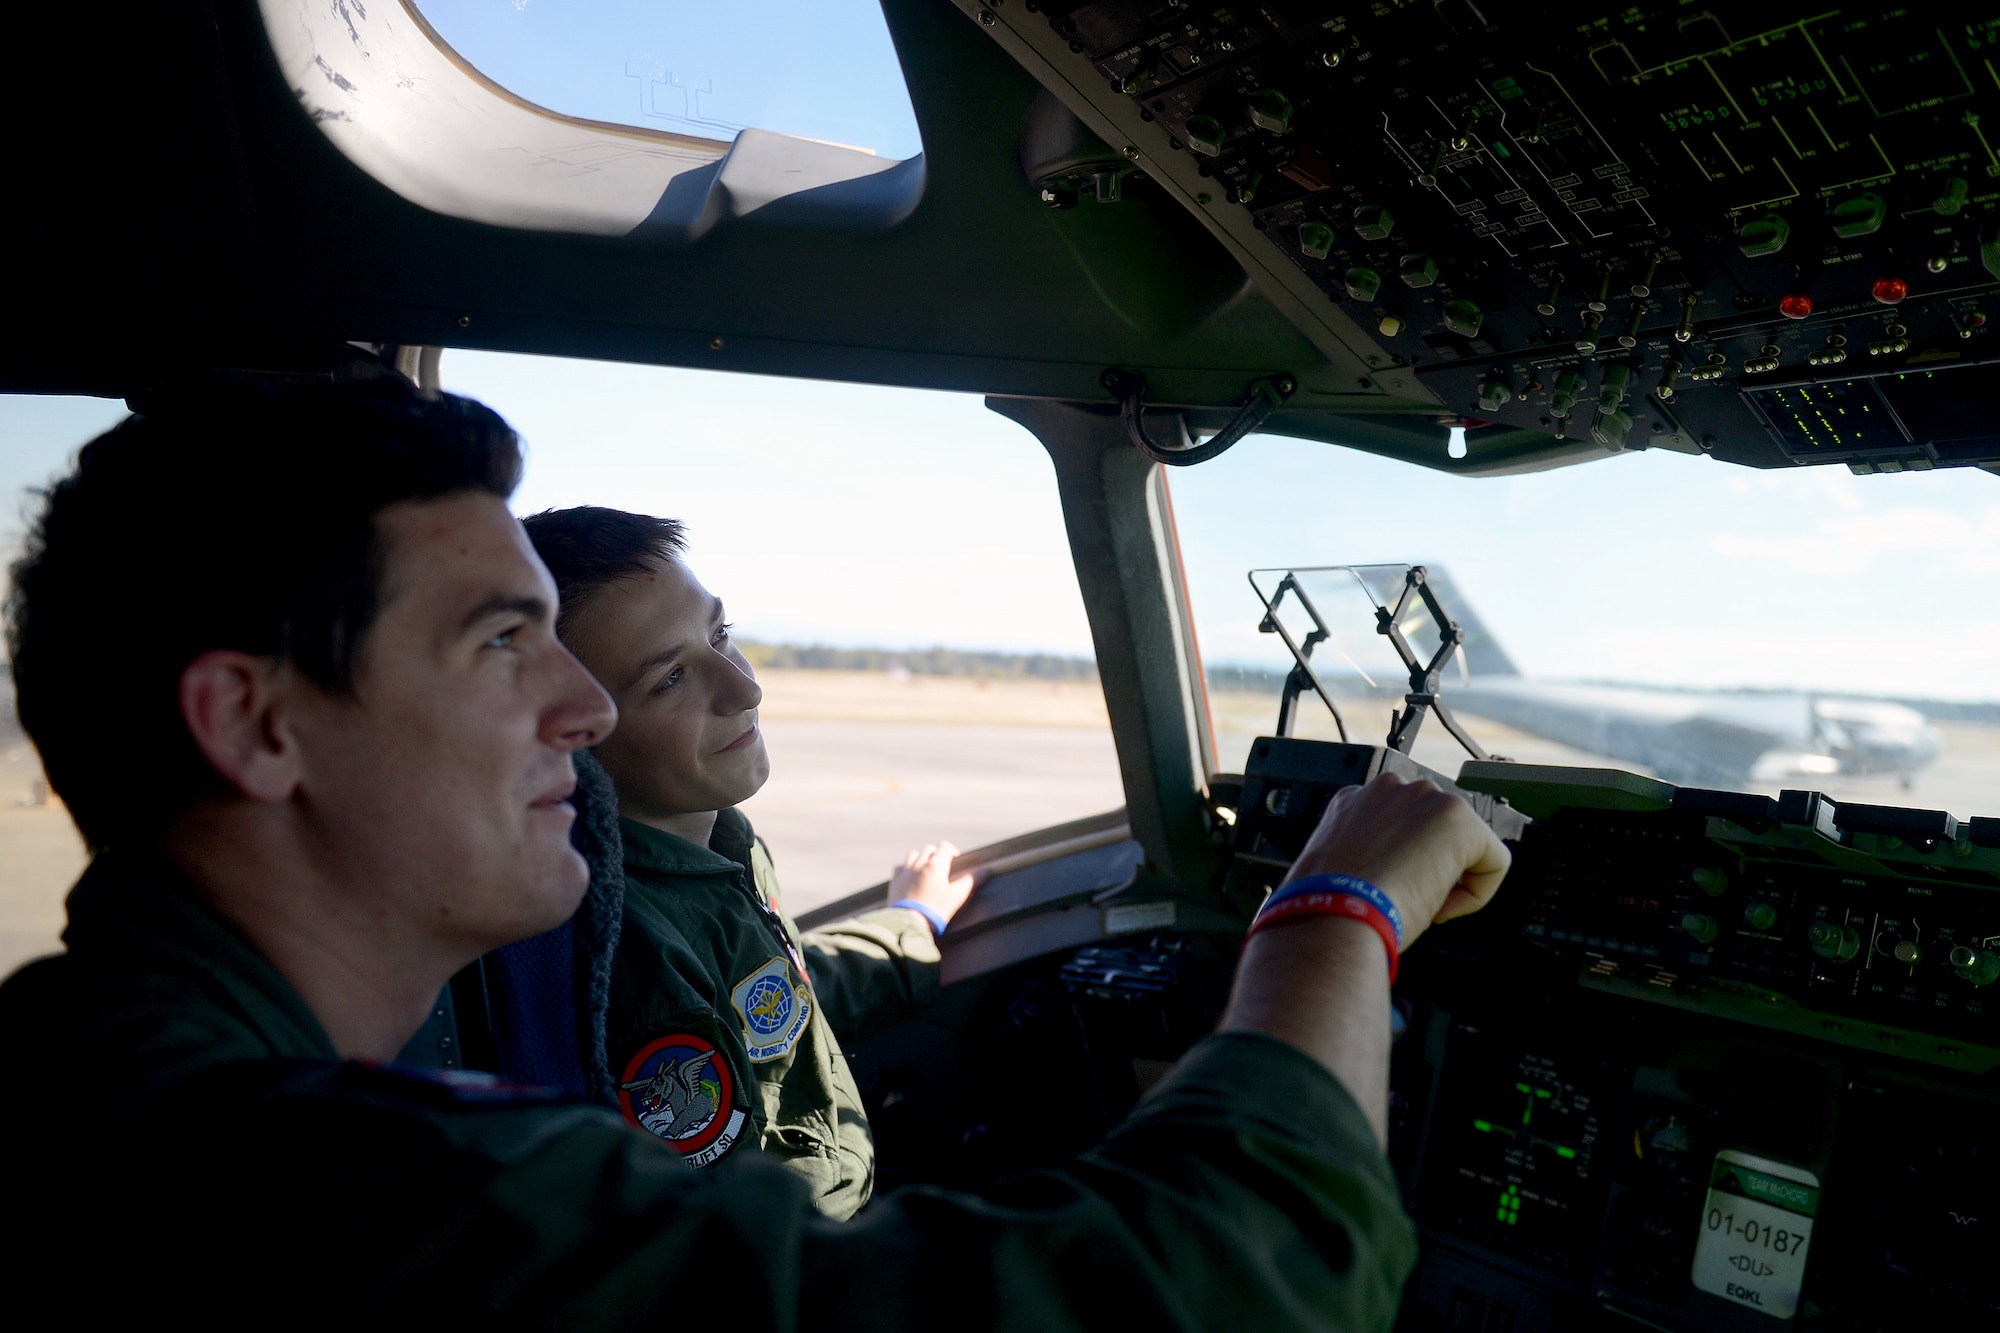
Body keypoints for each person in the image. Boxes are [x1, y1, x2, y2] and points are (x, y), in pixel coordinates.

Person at [0, 377, 1510, 1328]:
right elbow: (1253, 1278)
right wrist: (1337, 905)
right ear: (256, 726)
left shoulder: (95, 1067)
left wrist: (907, 934)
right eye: (502, 642)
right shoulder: (336, 1195)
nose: (582, 711)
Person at [517, 505, 968, 1216]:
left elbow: (770, 998)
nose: (745, 689)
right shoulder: (638, 951)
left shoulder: (721, 842)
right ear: (576, 740)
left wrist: (910, 923)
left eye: (720, 633)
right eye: (669, 678)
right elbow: (738, 1237)